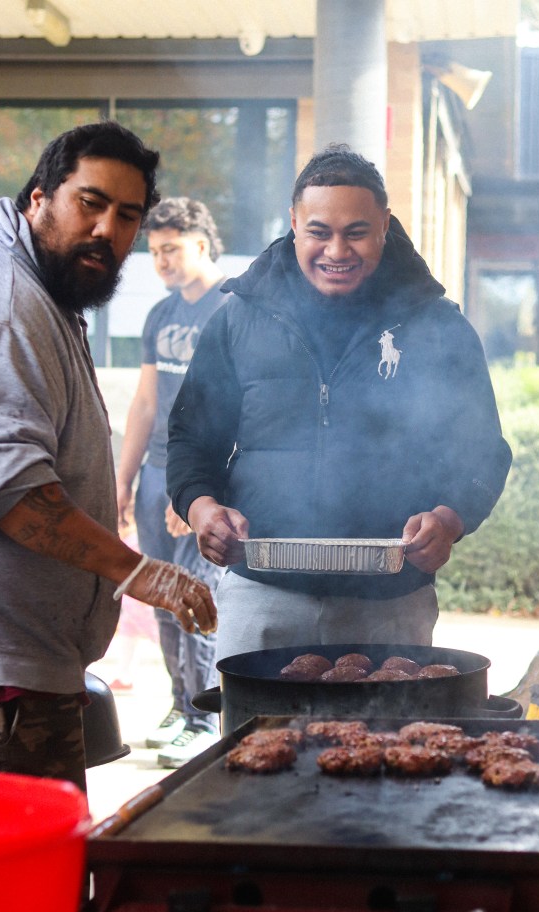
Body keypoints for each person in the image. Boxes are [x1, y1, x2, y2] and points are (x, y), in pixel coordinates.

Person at [0, 122, 216, 792]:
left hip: (22, 668)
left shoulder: (43, 287)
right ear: (39, 198)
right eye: (89, 203)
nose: (106, 230)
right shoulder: (3, 303)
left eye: (127, 216)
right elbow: (7, 491)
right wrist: (138, 572)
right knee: (14, 863)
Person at [167, 143, 512, 666]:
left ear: (384, 225)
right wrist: (201, 509)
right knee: (250, 723)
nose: (336, 250)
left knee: (391, 725)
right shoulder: (239, 318)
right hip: (262, 595)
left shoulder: (437, 326)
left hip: (391, 604)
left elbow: (482, 451)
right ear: (294, 223)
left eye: (356, 232)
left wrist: (450, 518)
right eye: (319, 232)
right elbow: (192, 438)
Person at [116, 198, 226, 767]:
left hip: (200, 473)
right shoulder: (160, 314)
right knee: (160, 592)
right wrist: (123, 479)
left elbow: (235, 411)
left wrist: (198, 492)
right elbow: (144, 403)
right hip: (155, 472)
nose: (161, 260)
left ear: (201, 245)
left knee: (196, 592)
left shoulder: (231, 308)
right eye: (155, 251)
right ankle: (181, 705)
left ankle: (204, 717)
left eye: (171, 249)